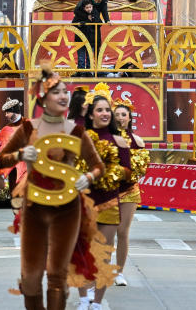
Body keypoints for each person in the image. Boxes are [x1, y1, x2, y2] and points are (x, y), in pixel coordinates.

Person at [0, 65, 112, 310]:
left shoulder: (76, 131)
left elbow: (98, 166)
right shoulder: (27, 129)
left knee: (57, 275)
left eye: (64, 91)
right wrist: (20, 154)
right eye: (56, 91)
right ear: (43, 98)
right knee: (31, 277)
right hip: (34, 207)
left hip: (67, 208)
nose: (63, 96)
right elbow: (1, 159)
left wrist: (88, 177)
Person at [75, 89, 128, 310]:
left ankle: (96, 303)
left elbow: (127, 173)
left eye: (108, 110)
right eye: (100, 110)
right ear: (90, 114)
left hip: (108, 203)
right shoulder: (80, 138)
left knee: (103, 256)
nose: (105, 113)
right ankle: (83, 299)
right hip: (83, 203)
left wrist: (104, 173)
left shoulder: (119, 141)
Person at [111, 99, 147, 288]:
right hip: (108, 191)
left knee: (122, 232)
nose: (120, 118)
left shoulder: (137, 141)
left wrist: (131, 170)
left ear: (129, 118)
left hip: (129, 191)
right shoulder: (106, 139)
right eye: (116, 115)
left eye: (123, 115)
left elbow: (142, 168)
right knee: (106, 233)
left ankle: (119, 272)